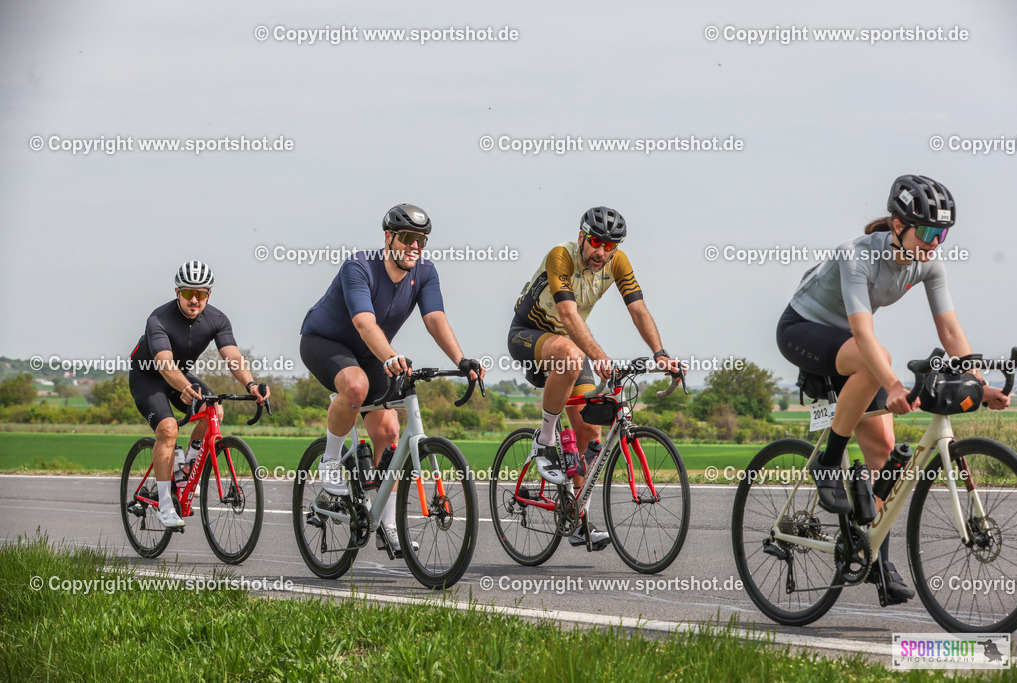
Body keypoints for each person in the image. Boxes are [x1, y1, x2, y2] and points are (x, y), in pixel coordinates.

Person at [776, 174, 1010, 603]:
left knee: (884, 451)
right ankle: (827, 463)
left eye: (941, 233)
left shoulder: (929, 263)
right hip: (803, 330)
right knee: (875, 356)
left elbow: (951, 330)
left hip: (851, 348)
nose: (935, 242)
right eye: (927, 231)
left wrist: (982, 383)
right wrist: (893, 384)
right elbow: (864, 336)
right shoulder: (856, 256)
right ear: (899, 225)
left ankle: (875, 560)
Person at [299, 204, 484, 559]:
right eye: (410, 239)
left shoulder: (425, 273)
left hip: (373, 352)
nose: (416, 247)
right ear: (389, 238)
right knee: (355, 387)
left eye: (422, 241)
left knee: (388, 432)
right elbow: (365, 323)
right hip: (325, 341)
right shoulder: (359, 266)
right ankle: (331, 461)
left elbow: (435, 318)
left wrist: (460, 360)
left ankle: (385, 522)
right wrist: (391, 357)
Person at [508, 206, 683, 549]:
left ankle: (576, 515)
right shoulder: (561, 257)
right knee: (573, 355)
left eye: (610, 245)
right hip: (529, 335)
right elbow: (568, 314)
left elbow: (638, 309)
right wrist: (600, 357)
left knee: (589, 433)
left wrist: (660, 353)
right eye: (595, 242)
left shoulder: (617, 262)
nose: (601, 252)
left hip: (569, 346)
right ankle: (543, 441)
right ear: (581, 238)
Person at [129, 260, 269, 528]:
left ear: (209, 295)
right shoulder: (158, 319)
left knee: (214, 410)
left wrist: (251, 385)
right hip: (148, 376)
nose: (194, 300)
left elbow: (233, 358)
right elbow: (164, 364)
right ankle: (165, 504)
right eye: (188, 293)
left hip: (179, 376)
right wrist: (183, 388)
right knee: (168, 429)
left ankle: (185, 468)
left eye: (201, 294)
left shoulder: (217, 319)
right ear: (177, 292)